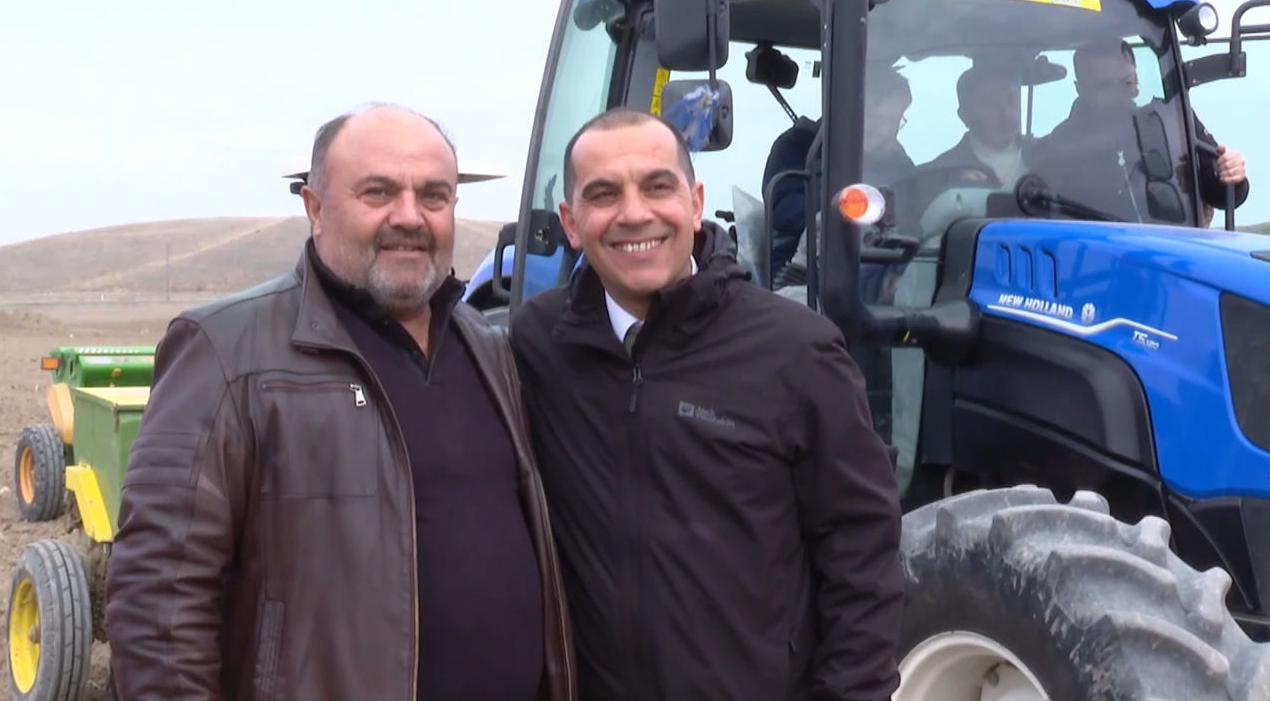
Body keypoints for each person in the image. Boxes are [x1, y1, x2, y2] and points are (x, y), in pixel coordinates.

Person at [103, 103, 576, 701]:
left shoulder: (486, 347)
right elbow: (158, 603)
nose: (410, 217)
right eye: (378, 192)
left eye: (434, 196)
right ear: (316, 208)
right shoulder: (226, 351)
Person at [509, 106, 905, 701]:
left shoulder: (796, 352)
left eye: (657, 187)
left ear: (695, 204)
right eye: (603, 194)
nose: (634, 213)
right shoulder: (537, 345)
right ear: (571, 222)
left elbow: (863, 556)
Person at [1030, 39, 1249, 223]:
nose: (1119, 93)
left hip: (1172, 252)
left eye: (1126, 82)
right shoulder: (1057, 149)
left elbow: (1220, 194)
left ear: (1136, 80)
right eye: (1105, 86)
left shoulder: (1171, 121)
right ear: (1081, 89)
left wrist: (1230, 175)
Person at [763, 64, 916, 279]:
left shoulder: (900, 164)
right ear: (848, 111)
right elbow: (781, 211)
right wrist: (843, 208)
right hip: (804, 270)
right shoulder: (798, 146)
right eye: (876, 119)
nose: (885, 131)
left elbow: (915, 217)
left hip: (882, 262)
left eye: (894, 121)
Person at [929, 63, 1035, 189]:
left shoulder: (1048, 156)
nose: (1005, 112)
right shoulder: (940, 175)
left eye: (1011, 100)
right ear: (965, 116)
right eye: (991, 103)